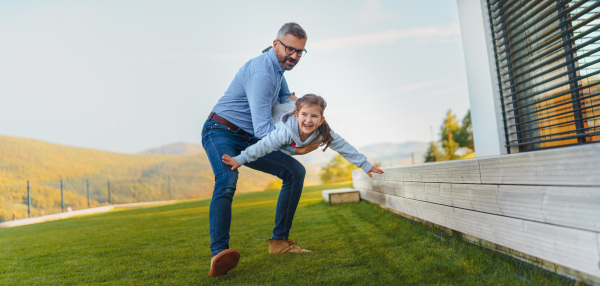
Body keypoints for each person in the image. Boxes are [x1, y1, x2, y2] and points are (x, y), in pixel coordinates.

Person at [202, 22, 320, 277]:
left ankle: (279, 243)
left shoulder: (279, 72)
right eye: (290, 49)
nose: (295, 56)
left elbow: (286, 105)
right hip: (221, 131)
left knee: (294, 173)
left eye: (300, 51)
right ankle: (218, 254)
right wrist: (295, 149)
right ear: (276, 44)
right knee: (227, 179)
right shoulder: (263, 73)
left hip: (248, 137)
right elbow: (263, 131)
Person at [222, 93, 384, 178]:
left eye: (314, 116)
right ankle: (292, 99)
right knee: (277, 98)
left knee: (292, 99)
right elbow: (263, 146)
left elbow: (343, 146)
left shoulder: (323, 132)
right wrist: (239, 159)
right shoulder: (285, 131)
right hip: (268, 118)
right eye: (304, 115)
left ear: (322, 120)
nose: (308, 120)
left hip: (290, 108)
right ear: (297, 115)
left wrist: (365, 164)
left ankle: (294, 99)